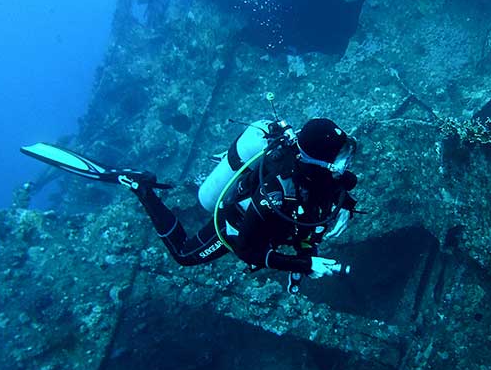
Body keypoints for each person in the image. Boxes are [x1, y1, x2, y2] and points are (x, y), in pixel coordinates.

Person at [21, 115, 358, 289]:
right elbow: (248, 250)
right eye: (339, 158)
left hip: (277, 222)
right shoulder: (275, 195)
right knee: (184, 255)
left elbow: (313, 218)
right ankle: (140, 187)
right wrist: (304, 265)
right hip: (238, 224)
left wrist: (307, 253)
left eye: (345, 155)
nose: (344, 165)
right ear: (315, 160)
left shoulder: (327, 177)